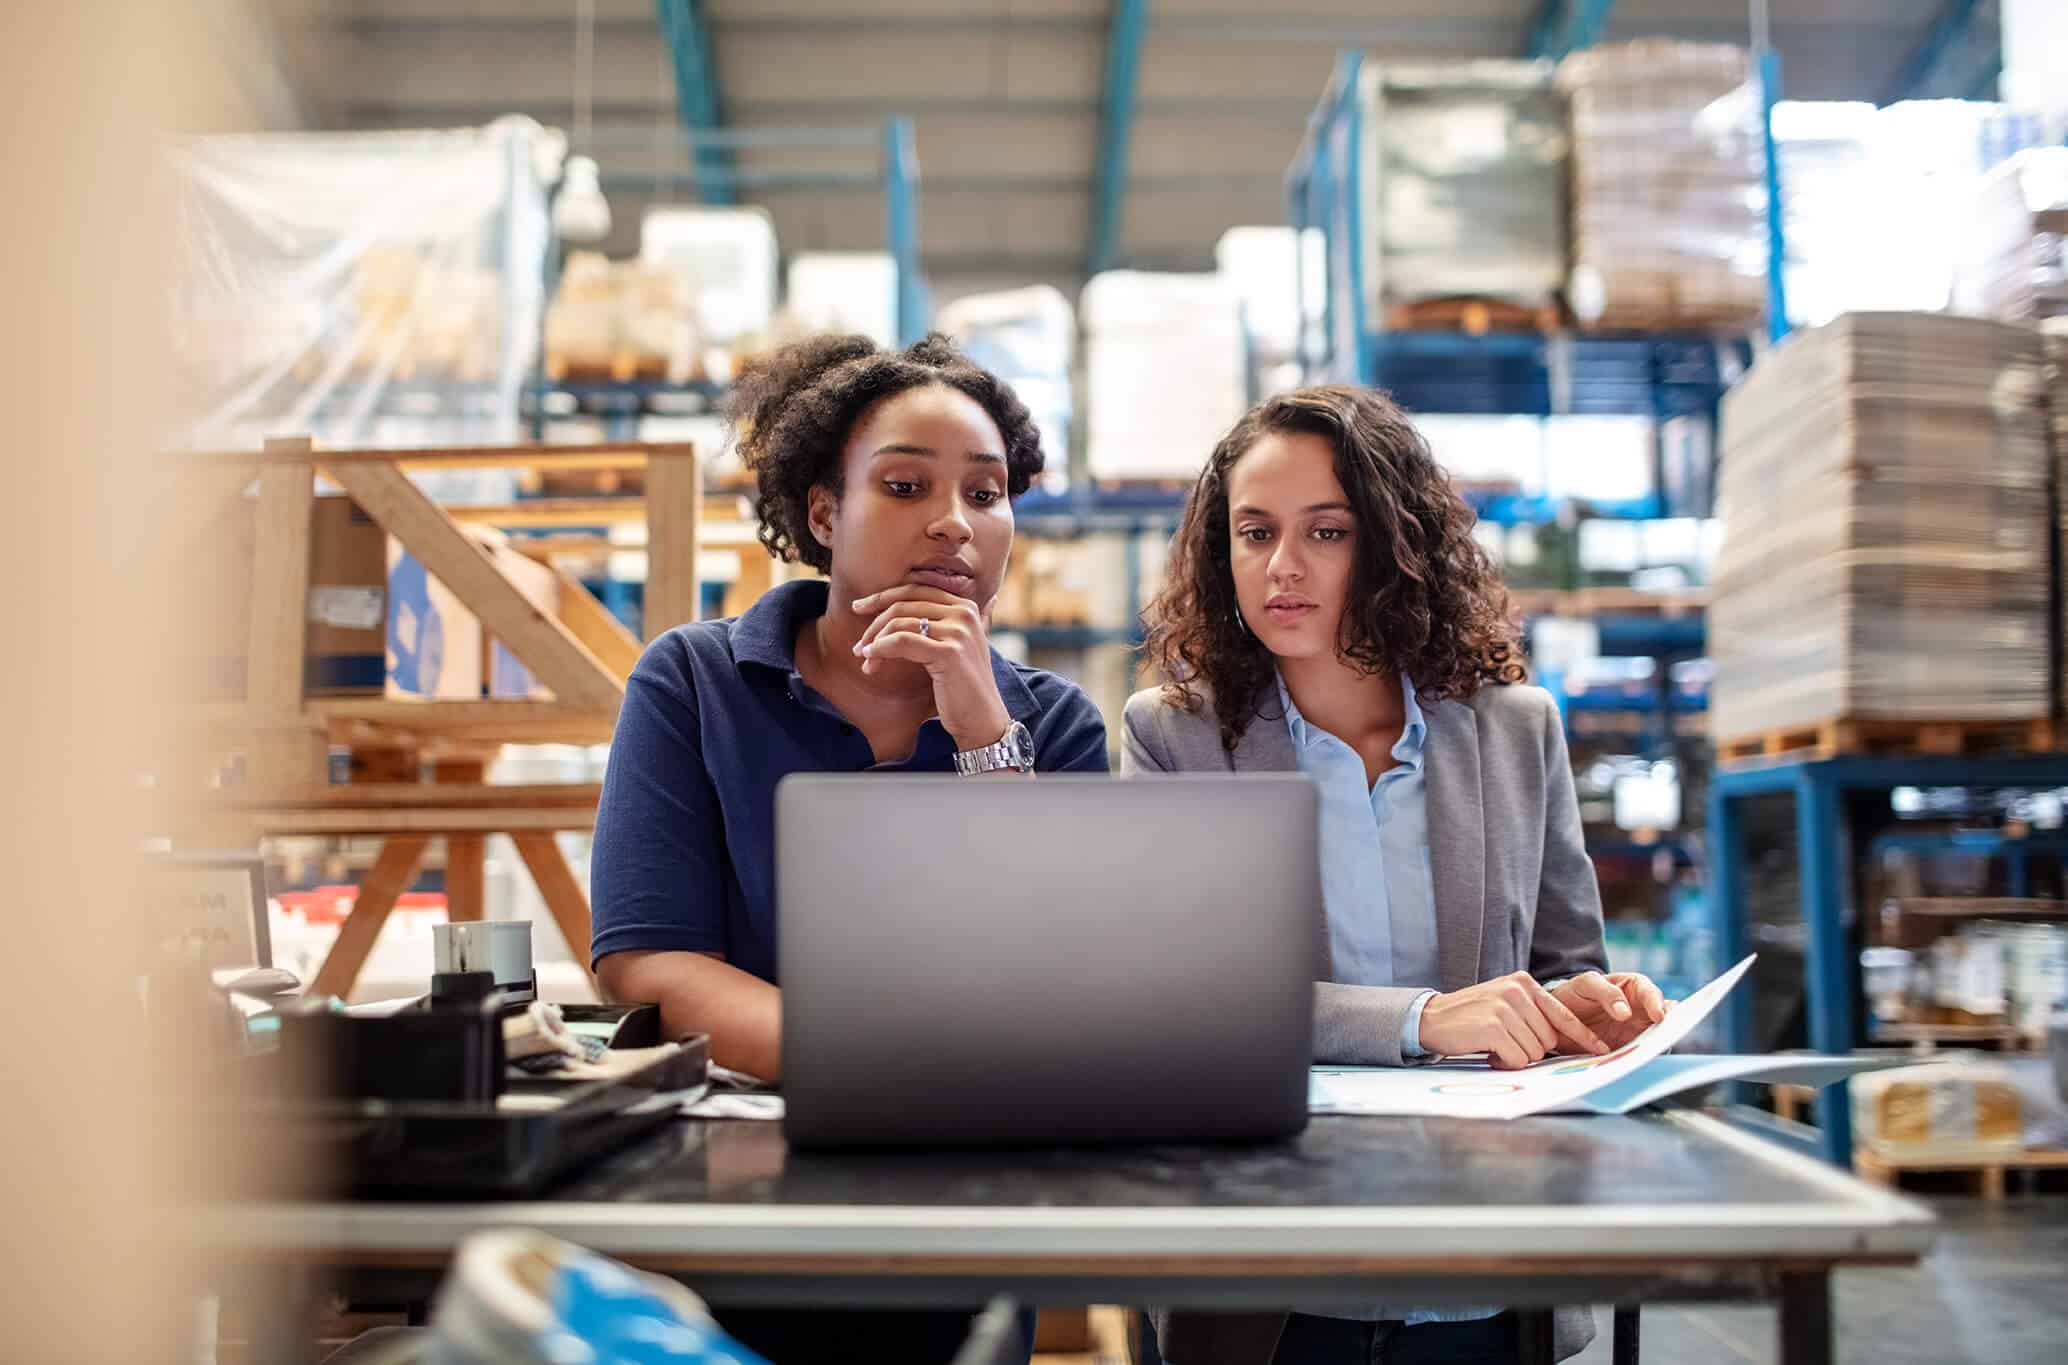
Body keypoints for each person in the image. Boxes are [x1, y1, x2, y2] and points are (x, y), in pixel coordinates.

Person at [588, 332, 1109, 1365]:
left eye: (987, 493)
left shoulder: (1055, 723)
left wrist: (981, 733)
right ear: (824, 513)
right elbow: (645, 956)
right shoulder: (694, 683)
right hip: (734, 1194)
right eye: (907, 485)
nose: (954, 523)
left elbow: (1055, 979)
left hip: (963, 1196)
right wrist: (868, 1067)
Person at [1122, 385, 1668, 1365]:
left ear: (1389, 544)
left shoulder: (1514, 728)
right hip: (1272, 1293)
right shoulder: (1175, 737)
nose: (1281, 567)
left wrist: (1590, 1009)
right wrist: (1423, 1019)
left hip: (1482, 1281)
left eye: (1325, 533)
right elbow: (1179, 1008)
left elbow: (1559, 967)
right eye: (1254, 533)